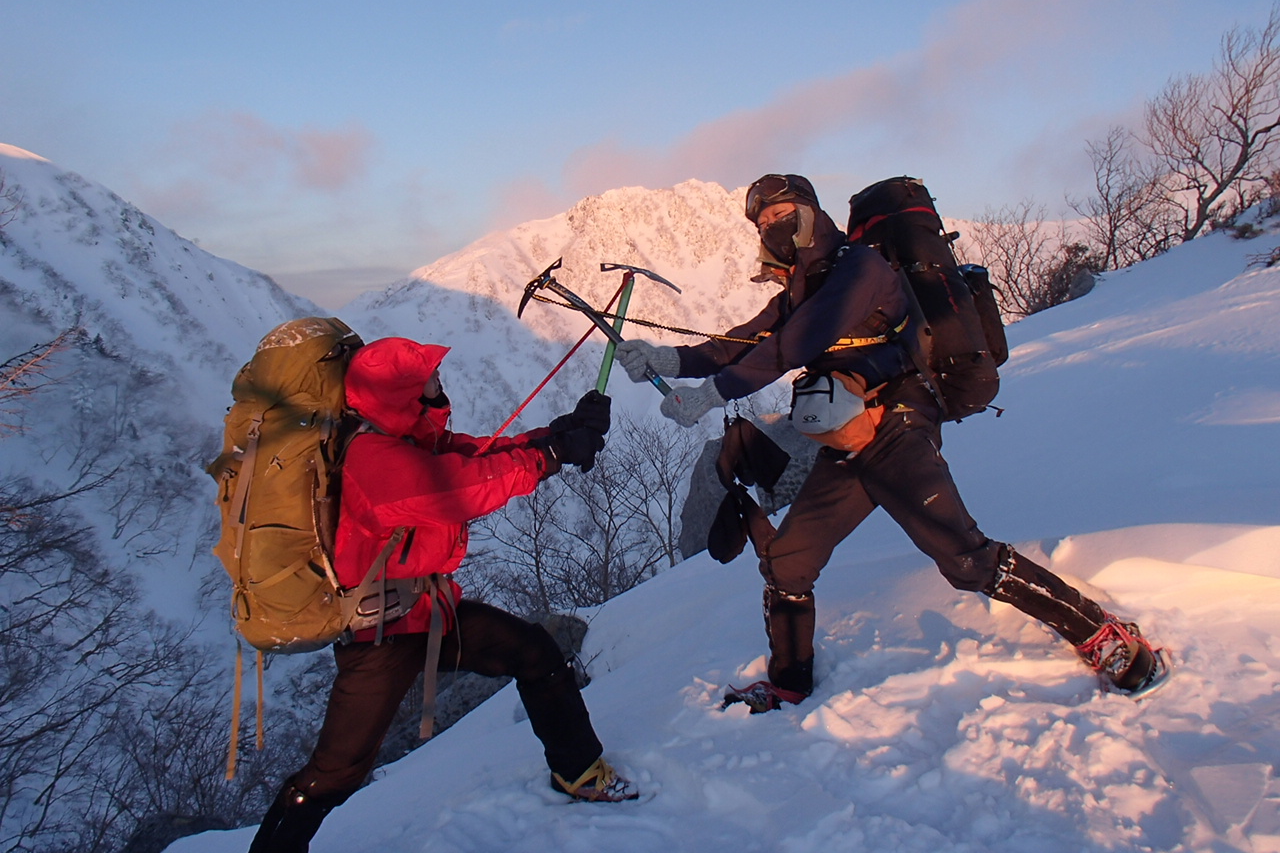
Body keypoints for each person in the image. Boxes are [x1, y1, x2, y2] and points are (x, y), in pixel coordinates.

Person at [616, 173, 1165, 712]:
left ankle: (1102, 633)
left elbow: (794, 344)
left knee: (965, 559)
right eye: (765, 223)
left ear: (811, 211)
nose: (774, 227)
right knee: (787, 562)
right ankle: (788, 685)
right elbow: (746, 341)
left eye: (783, 215)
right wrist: (670, 360)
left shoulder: (861, 269)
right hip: (848, 434)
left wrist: (713, 393)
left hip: (898, 424)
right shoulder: (805, 285)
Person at [249, 337, 636, 853]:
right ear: (402, 394)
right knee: (335, 772)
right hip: (380, 637)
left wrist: (557, 435)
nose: (438, 383)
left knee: (535, 653)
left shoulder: (405, 439)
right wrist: (552, 456)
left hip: (428, 611)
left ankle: (579, 772)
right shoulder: (374, 459)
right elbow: (462, 487)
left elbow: (480, 452)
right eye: (428, 378)